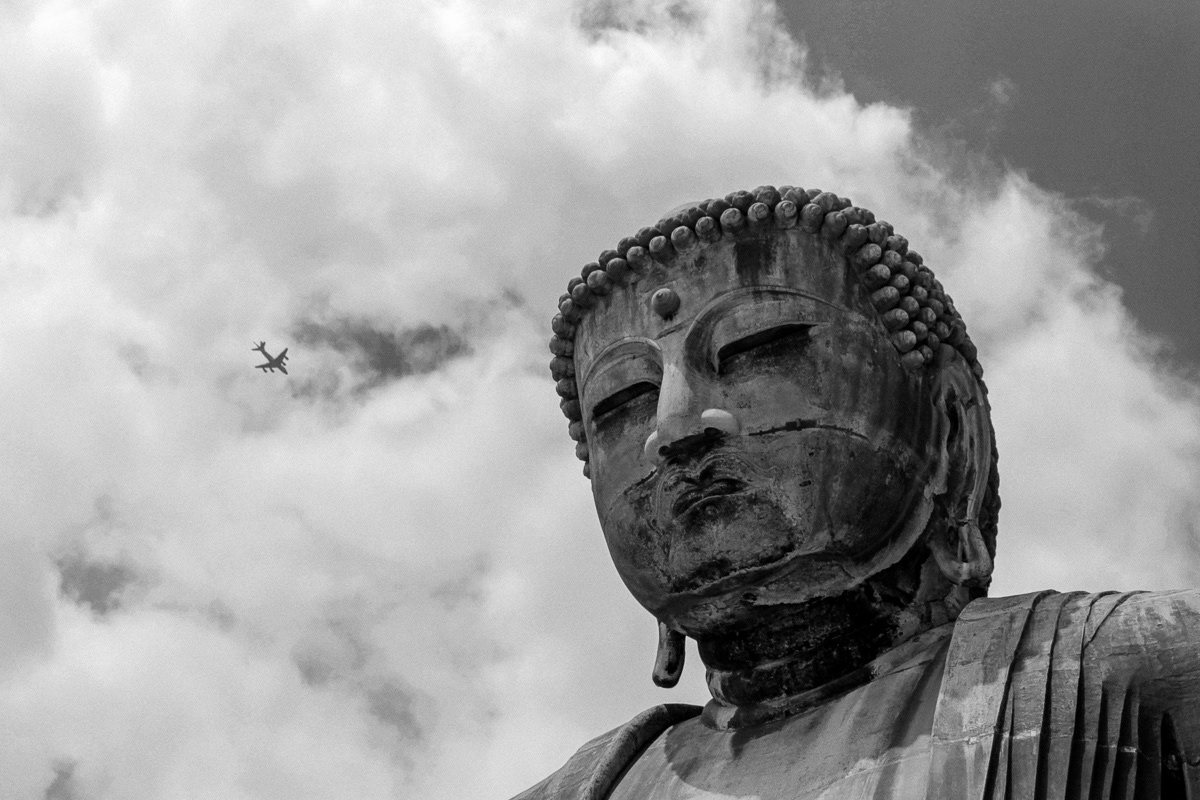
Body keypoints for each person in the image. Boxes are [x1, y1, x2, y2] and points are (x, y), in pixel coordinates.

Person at [520, 186, 1200, 800]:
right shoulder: (585, 787)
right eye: (622, 401)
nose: (672, 428)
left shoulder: (1136, 668)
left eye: (758, 345)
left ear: (952, 427)